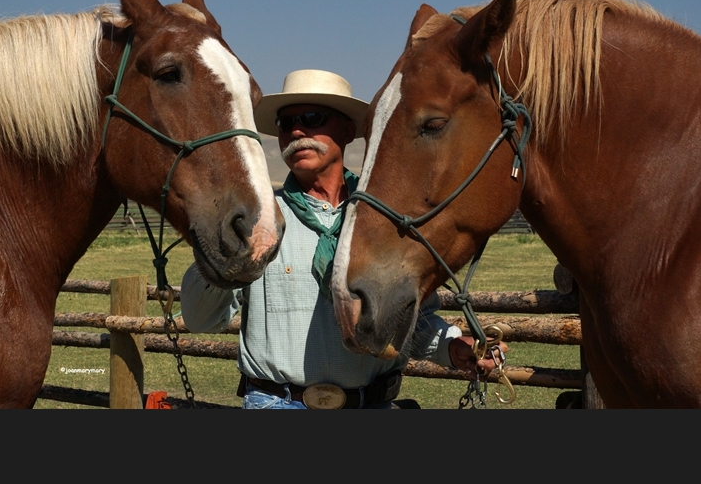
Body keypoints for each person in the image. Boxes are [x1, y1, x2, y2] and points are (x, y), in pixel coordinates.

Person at [180, 68, 506, 409]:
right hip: (276, 403)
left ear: (348, 130)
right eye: (285, 122)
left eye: (312, 117)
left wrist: (450, 346)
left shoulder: (385, 221)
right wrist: (221, 254)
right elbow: (201, 319)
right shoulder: (258, 220)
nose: (296, 130)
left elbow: (409, 317)